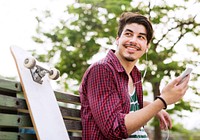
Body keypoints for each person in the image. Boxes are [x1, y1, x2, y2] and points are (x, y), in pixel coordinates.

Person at [79, 12, 190, 140]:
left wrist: (151, 106)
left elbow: (120, 100)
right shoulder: (102, 70)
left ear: (147, 46)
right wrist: (162, 101)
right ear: (117, 39)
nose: (133, 41)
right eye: (128, 34)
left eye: (141, 37)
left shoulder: (134, 74)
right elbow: (115, 129)